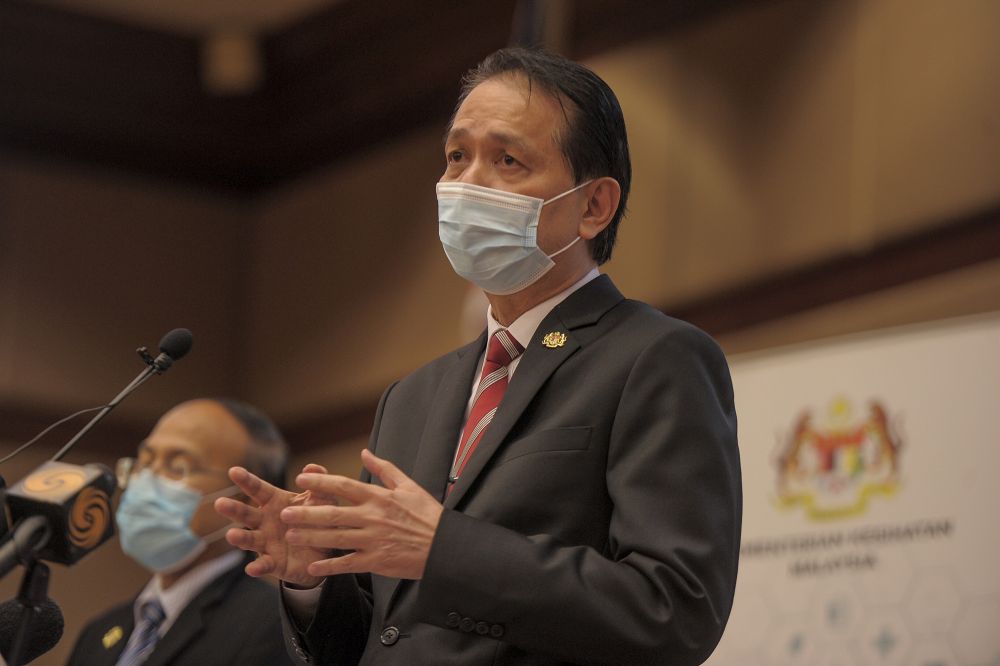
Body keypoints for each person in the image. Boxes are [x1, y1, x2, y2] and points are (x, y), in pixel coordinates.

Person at [216, 47, 742, 665]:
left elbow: (675, 611)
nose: (466, 184)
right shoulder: (411, 396)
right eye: (457, 156)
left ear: (594, 206)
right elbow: (382, 638)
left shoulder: (655, 357)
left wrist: (444, 550)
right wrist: (312, 582)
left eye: (507, 160)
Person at [67, 398, 293, 665]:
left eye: (178, 467)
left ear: (246, 498)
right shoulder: (97, 633)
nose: (147, 481)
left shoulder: (275, 627)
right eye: (144, 463)